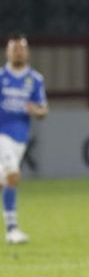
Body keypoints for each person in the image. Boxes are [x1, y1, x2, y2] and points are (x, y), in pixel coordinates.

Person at [0, 33, 48, 244]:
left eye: (21, 48)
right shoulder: (1, 78)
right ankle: (12, 230)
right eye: (14, 49)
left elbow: (43, 110)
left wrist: (35, 110)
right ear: (7, 52)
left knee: (4, 181)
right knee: (13, 175)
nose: (18, 52)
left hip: (20, 138)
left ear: (27, 52)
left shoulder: (35, 80)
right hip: (1, 136)